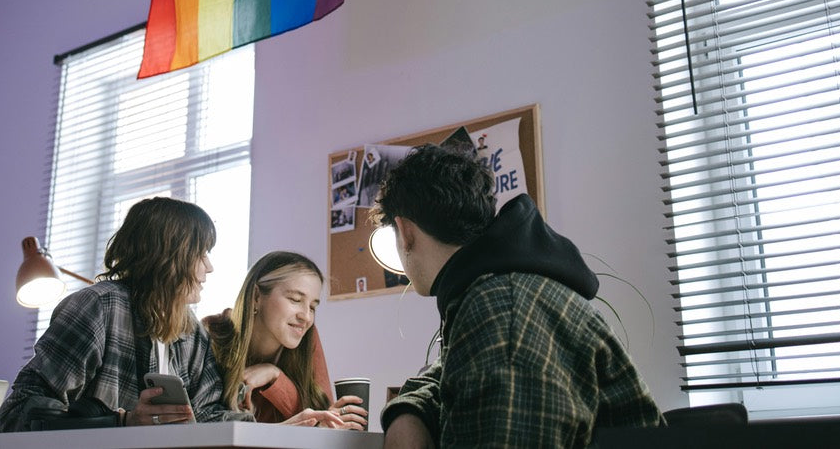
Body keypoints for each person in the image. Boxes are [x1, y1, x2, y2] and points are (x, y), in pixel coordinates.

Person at [372, 144, 663, 448]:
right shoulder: (505, 290)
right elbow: (448, 373)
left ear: (405, 232)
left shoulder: (503, 310)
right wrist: (409, 410)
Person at [0, 197, 248, 431]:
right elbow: (19, 411)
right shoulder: (97, 307)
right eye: (201, 253)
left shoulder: (192, 332)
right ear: (168, 256)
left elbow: (207, 416)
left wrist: (276, 429)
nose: (209, 267)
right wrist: (121, 421)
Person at [204, 251, 368, 429]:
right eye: (295, 299)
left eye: (313, 307)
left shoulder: (308, 336)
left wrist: (275, 376)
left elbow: (318, 418)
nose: (306, 317)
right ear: (256, 297)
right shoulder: (211, 332)